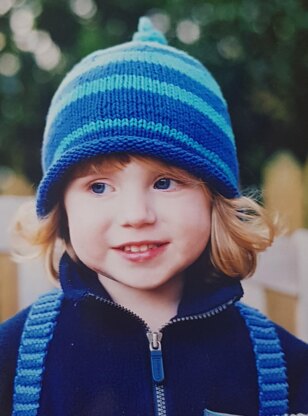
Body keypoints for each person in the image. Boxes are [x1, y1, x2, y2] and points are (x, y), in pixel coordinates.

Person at [0, 16, 307, 416]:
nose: (136, 215)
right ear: (61, 210)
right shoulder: (13, 361)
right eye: (98, 187)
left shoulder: (285, 368)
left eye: (165, 182)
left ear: (214, 198)